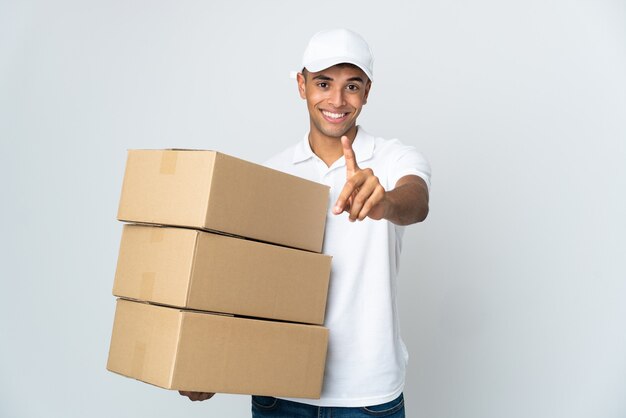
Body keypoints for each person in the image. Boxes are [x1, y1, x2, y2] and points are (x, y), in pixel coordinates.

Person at [180, 28, 431, 418]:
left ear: (367, 92)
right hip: (279, 391)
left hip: (366, 397)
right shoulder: (271, 173)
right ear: (302, 85)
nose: (337, 100)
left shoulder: (393, 159)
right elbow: (247, 281)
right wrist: (211, 361)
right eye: (323, 83)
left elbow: (416, 201)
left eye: (352, 86)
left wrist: (385, 202)